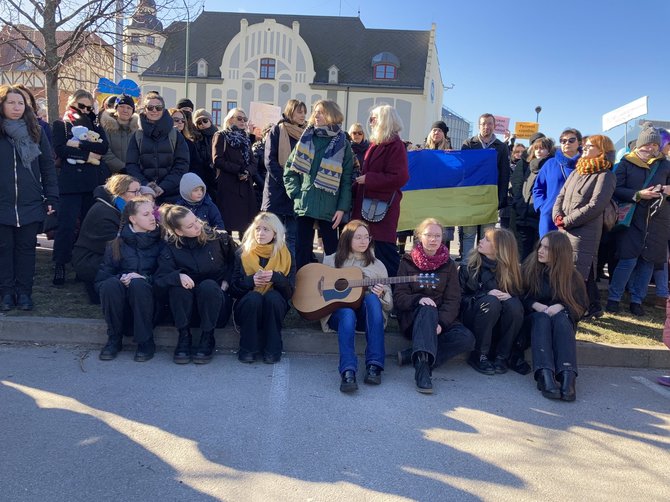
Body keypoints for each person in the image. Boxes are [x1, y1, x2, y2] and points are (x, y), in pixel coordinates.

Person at [394, 219, 475, 394]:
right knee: (427, 308)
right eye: (429, 235)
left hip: (440, 320)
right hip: (413, 319)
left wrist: (441, 323)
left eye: (437, 235)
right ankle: (423, 369)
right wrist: (417, 299)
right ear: (419, 237)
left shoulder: (449, 264)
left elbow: (453, 299)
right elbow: (399, 298)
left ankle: (412, 355)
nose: (433, 239)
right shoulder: (407, 262)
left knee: (467, 338)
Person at [0, 85, 58, 311]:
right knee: (4, 249)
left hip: (30, 202)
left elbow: (47, 167)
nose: (16, 107)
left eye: (20, 103)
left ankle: (24, 292)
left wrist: (52, 196)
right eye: (11, 102)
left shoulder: (36, 130)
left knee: (26, 250)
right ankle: (6, 293)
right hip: (3, 203)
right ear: (2, 104)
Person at [155, 205, 236, 364]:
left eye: (196, 221)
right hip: (186, 312)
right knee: (177, 288)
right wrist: (177, 276)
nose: (198, 226)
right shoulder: (170, 248)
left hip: (215, 305)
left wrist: (226, 282)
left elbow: (235, 263)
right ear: (178, 231)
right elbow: (159, 280)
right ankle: (184, 337)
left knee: (208, 286)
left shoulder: (218, 238)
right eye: (190, 226)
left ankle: (207, 337)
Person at [320, 220, 392, 392]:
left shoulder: (377, 265)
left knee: (372, 300)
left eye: (366, 237)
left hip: (365, 318)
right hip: (339, 317)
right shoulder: (331, 261)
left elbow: (389, 306)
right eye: (358, 237)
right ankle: (348, 371)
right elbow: (319, 291)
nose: (363, 241)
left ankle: (374, 365)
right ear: (347, 238)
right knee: (346, 312)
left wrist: (381, 293)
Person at [606, 125, 670, 316]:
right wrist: (638, 194)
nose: (651, 148)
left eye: (655, 145)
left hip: (657, 219)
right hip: (632, 218)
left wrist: (667, 190)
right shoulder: (627, 162)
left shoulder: (665, 164)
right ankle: (614, 298)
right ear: (640, 144)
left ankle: (637, 300)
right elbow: (615, 188)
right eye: (648, 144)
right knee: (628, 260)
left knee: (648, 262)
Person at [283, 100, 354, 269]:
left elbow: (346, 179)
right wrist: (297, 194)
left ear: (332, 115)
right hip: (305, 203)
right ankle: (301, 290)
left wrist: (341, 208)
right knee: (302, 252)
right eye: (315, 112)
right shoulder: (306, 138)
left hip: (330, 205)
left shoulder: (343, 143)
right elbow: (289, 170)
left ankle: (330, 290)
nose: (316, 115)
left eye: (320, 112)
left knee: (332, 253)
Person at [553, 135, 617, 319]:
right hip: (565, 227)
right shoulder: (577, 171)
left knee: (580, 270)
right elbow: (561, 196)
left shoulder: (606, 175)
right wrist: (557, 215)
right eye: (586, 145)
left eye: (590, 146)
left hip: (585, 230)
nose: (585, 148)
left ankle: (578, 308)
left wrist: (568, 220)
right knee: (571, 267)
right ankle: (592, 306)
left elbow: (596, 205)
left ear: (602, 150)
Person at [51, 89, 109, 286]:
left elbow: (103, 148)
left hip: (91, 183)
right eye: (81, 106)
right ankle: (60, 264)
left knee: (87, 226)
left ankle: (81, 265)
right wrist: (88, 156)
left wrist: (78, 145)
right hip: (70, 183)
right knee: (66, 226)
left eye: (88, 107)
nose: (84, 110)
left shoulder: (95, 125)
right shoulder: (62, 124)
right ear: (72, 104)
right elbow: (60, 148)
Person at [522, 231, 588, 401]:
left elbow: (581, 307)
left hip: (561, 322)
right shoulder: (529, 268)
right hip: (533, 321)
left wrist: (561, 306)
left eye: (547, 248)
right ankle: (545, 374)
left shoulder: (572, 276)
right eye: (540, 246)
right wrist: (534, 305)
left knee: (561, 317)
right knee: (542, 318)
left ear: (559, 253)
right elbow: (518, 296)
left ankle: (567, 374)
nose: (540, 251)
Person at [95, 197, 162, 362]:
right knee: (110, 285)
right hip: (122, 302)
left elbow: (166, 276)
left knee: (138, 284)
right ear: (133, 219)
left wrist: (144, 278)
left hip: (152, 302)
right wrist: (121, 278)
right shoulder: (116, 244)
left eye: (152, 213)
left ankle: (146, 341)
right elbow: (101, 279)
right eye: (146, 214)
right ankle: (114, 339)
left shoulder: (162, 242)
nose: (152, 217)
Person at [351, 105, 409, 277]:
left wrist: (370, 179)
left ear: (384, 120)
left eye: (374, 118)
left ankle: (394, 292)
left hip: (381, 209)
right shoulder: (377, 143)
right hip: (368, 206)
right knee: (365, 252)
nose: (370, 122)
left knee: (384, 253)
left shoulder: (395, 145)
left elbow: (400, 177)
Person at [230, 212, 294, 364]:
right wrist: (251, 281)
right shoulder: (243, 252)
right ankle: (247, 350)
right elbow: (233, 289)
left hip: (274, 308)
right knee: (254, 298)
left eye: (266, 229)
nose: (260, 233)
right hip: (247, 308)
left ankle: (273, 351)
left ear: (275, 233)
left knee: (272, 297)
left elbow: (289, 292)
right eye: (258, 229)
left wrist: (276, 277)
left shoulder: (286, 254)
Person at [459, 228, 524, 375]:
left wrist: (511, 297)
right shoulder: (469, 267)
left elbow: (522, 300)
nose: (480, 241)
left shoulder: (513, 272)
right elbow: (460, 299)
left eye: (487, 239)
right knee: (491, 302)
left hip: (500, 322)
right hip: (474, 318)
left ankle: (502, 356)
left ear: (499, 248)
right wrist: (485, 294)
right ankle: (479, 355)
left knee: (514, 305)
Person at [72, 174, 141, 303]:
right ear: (120, 193)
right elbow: (115, 247)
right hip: (91, 262)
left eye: (139, 190)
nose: (139, 195)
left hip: (101, 258)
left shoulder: (117, 208)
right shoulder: (103, 213)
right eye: (134, 192)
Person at [125, 92, 190, 203]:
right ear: (145, 110)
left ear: (164, 110)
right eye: (150, 107)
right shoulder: (137, 135)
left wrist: (164, 186)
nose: (154, 110)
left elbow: (182, 164)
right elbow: (131, 165)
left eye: (158, 107)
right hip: (144, 194)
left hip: (172, 194)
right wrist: (146, 186)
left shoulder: (175, 135)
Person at [460, 114, 511, 255]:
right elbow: (462, 171)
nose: (486, 126)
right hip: (470, 199)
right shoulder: (468, 144)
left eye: (489, 123)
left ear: (494, 126)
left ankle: (484, 266)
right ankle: (467, 267)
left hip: (489, 200)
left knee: (487, 237)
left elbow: (504, 175)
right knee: (468, 235)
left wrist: (500, 200)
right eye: (483, 124)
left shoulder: (501, 147)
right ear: (479, 126)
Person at [262, 99, 307, 256]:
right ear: (290, 112)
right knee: (273, 237)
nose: (303, 115)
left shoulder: (307, 134)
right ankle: (271, 273)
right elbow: (270, 161)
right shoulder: (277, 130)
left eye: (304, 112)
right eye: (299, 112)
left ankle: (289, 276)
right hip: (276, 192)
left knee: (292, 238)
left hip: (296, 194)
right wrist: (287, 183)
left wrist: (296, 187)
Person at [213, 107, 258, 235]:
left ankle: (244, 254)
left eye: (244, 119)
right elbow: (217, 160)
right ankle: (227, 252)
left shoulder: (246, 137)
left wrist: (247, 172)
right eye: (239, 118)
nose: (242, 121)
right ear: (230, 119)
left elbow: (253, 161)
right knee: (227, 225)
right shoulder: (221, 135)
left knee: (246, 227)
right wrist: (238, 170)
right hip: (228, 185)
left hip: (245, 187)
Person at [533, 128, 582, 238]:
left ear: (579, 142)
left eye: (571, 140)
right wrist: (543, 206)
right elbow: (538, 188)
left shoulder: (585, 164)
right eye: (563, 141)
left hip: (576, 217)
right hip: (550, 216)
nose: (566, 143)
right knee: (547, 250)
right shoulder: (550, 164)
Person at [511, 136, 553, 260]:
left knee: (537, 253)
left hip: (539, 215)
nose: (539, 151)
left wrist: (540, 208)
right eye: (536, 148)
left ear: (549, 151)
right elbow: (521, 187)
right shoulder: (529, 166)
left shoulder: (551, 166)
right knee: (522, 254)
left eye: (542, 148)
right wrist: (519, 204)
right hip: (524, 214)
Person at [99, 94, 138, 174]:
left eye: (129, 108)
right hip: (111, 175)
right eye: (122, 106)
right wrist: (122, 168)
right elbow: (105, 152)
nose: (125, 110)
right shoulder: (106, 128)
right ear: (116, 108)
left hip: (134, 174)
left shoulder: (138, 130)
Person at [191, 108, 218, 196]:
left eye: (205, 120)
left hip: (218, 176)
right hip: (203, 178)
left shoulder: (219, 135)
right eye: (199, 122)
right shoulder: (196, 139)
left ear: (210, 120)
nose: (202, 124)